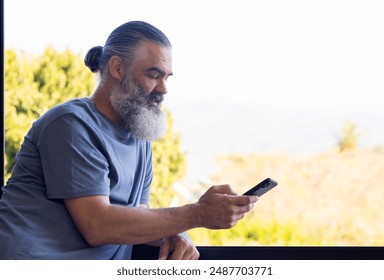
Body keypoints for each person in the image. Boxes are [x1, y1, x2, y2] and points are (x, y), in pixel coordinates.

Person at [0, 21, 258, 260]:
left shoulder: (139, 135)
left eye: (167, 77)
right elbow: (97, 225)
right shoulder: (70, 124)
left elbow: (136, 217)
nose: (163, 88)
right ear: (117, 68)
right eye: (153, 75)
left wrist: (174, 231)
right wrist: (196, 214)